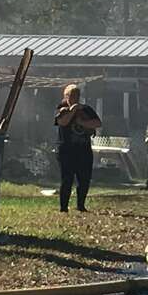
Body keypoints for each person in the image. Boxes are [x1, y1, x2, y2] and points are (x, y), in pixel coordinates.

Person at [54, 84, 102, 213]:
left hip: (83, 149)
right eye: (71, 95)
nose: (74, 98)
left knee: (84, 178)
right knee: (67, 179)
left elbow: (98, 123)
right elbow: (62, 122)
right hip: (66, 150)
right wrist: (73, 110)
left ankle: (81, 205)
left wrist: (82, 123)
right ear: (66, 96)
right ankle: (63, 207)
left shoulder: (86, 109)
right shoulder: (62, 108)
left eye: (77, 95)